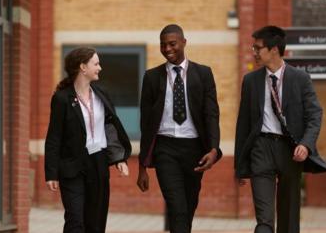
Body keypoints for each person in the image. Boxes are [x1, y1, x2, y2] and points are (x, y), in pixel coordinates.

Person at [234, 25, 326, 233]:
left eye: (258, 48)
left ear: (274, 49)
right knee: (264, 221)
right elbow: (243, 125)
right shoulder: (251, 81)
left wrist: (306, 144)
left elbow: (315, 115)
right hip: (261, 149)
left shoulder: (300, 79)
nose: (255, 53)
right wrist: (240, 165)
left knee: (288, 219)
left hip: (290, 151)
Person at [136, 24, 222, 233]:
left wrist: (213, 149)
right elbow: (146, 124)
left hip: (195, 150)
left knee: (189, 206)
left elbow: (211, 114)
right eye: (163, 45)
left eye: (172, 44)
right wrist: (142, 166)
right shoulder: (152, 77)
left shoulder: (203, 74)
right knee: (177, 207)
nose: (167, 49)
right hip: (165, 149)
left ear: (184, 43)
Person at [44, 47, 132, 233]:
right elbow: (54, 137)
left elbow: (109, 127)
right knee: (76, 220)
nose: (100, 67)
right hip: (72, 167)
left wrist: (119, 158)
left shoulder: (102, 95)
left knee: (95, 221)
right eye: (96, 63)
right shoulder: (61, 99)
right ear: (83, 67)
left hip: (98, 163)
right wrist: (51, 173)